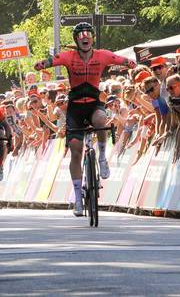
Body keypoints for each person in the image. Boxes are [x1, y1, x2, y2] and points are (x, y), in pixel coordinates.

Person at [34, 22, 136, 216]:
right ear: (76, 40)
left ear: (92, 38)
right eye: (81, 35)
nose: (85, 37)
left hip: (93, 104)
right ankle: (78, 198)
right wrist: (42, 64)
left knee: (100, 119)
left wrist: (129, 62)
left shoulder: (102, 55)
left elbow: (118, 59)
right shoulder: (69, 56)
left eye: (88, 34)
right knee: (76, 152)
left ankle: (103, 157)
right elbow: (53, 60)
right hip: (75, 109)